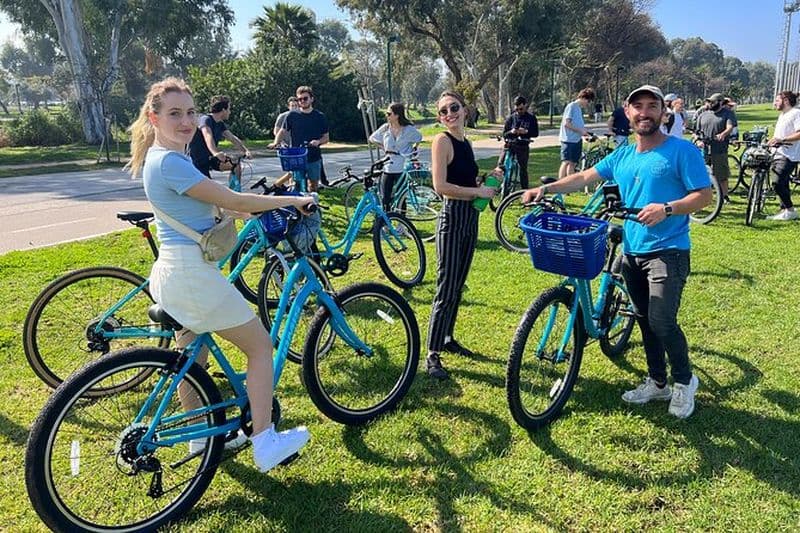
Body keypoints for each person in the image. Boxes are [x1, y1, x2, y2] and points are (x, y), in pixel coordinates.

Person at [127, 77, 313, 472]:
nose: (186, 121)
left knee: (192, 360)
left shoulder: (161, 159)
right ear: (154, 117)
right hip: (192, 276)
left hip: (172, 274)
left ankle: (200, 437)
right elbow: (230, 197)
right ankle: (265, 440)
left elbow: (210, 207)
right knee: (259, 348)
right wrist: (293, 199)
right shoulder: (170, 162)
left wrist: (246, 211)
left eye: (190, 112)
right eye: (174, 113)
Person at [522, 84, 712, 419]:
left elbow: (703, 195)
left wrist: (667, 209)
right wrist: (545, 188)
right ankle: (658, 382)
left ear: (663, 112)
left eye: (652, 106)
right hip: (632, 249)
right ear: (628, 112)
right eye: (638, 106)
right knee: (643, 319)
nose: (644, 112)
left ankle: (684, 381)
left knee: (662, 320)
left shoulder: (682, 151)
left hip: (668, 250)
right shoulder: (623, 154)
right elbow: (583, 177)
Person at [426, 91, 500, 380]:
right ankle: (432, 354)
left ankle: (447, 338)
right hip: (452, 218)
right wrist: (478, 191)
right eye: (443, 111)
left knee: (458, 285)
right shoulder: (441, 141)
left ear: (464, 109)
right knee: (446, 287)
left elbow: (466, 180)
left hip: (470, 218)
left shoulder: (466, 143)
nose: (449, 114)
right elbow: (441, 186)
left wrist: (485, 181)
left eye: (454, 107)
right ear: (440, 118)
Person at [271, 85, 329, 193]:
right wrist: (275, 143)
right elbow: (282, 131)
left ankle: (312, 202)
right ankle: (297, 203)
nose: (302, 101)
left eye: (305, 98)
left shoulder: (320, 116)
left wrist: (318, 142)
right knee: (296, 185)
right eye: (299, 99)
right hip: (297, 157)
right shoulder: (292, 115)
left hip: (313, 157)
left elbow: (326, 138)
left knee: (313, 186)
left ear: (312, 99)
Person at [368, 102, 423, 211]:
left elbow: (419, 137)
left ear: (397, 115)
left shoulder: (408, 129)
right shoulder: (385, 128)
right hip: (388, 166)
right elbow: (372, 138)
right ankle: (386, 219)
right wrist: (384, 148)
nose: (387, 116)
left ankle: (401, 219)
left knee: (401, 197)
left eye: (389, 113)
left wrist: (414, 149)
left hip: (402, 167)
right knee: (385, 198)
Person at [188, 95, 251, 179]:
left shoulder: (220, 124)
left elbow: (232, 138)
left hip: (210, 159)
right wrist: (216, 153)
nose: (230, 112)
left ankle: (235, 188)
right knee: (208, 186)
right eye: (229, 109)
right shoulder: (206, 119)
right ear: (223, 110)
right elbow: (208, 136)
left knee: (235, 165)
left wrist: (245, 150)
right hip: (197, 161)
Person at [695, 93, 736, 202]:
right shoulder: (703, 115)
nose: (710, 104)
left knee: (721, 174)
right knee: (702, 173)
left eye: (713, 102)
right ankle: (702, 196)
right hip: (704, 148)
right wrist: (698, 140)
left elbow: (730, 127)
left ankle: (724, 196)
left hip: (719, 148)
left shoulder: (728, 113)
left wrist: (723, 134)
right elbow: (696, 132)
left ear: (720, 103)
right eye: (709, 101)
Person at [766, 90, 800, 221]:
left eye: (777, 100)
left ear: (785, 100)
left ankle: (790, 210)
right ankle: (785, 210)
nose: (775, 103)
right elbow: (779, 135)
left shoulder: (796, 113)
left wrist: (783, 140)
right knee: (783, 182)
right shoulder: (782, 115)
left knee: (777, 182)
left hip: (789, 155)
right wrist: (772, 140)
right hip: (777, 153)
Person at [501, 95, 539, 189]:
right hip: (510, 144)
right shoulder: (511, 118)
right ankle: (500, 186)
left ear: (525, 105)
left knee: (523, 169)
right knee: (500, 165)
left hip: (523, 145)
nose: (519, 111)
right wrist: (511, 132)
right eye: (517, 109)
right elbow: (504, 134)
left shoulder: (531, 118)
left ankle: (525, 191)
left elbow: (535, 133)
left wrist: (526, 132)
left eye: (521, 109)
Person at [559, 87, 595, 179]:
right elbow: (567, 124)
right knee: (566, 162)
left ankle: (569, 183)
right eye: (588, 101)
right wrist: (581, 131)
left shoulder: (579, 109)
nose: (588, 104)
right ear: (583, 98)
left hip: (576, 140)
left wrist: (585, 133)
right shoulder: (572, 106)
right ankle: (560, 183)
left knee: (573, 163)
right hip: (568, 140)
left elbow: (578, 124)